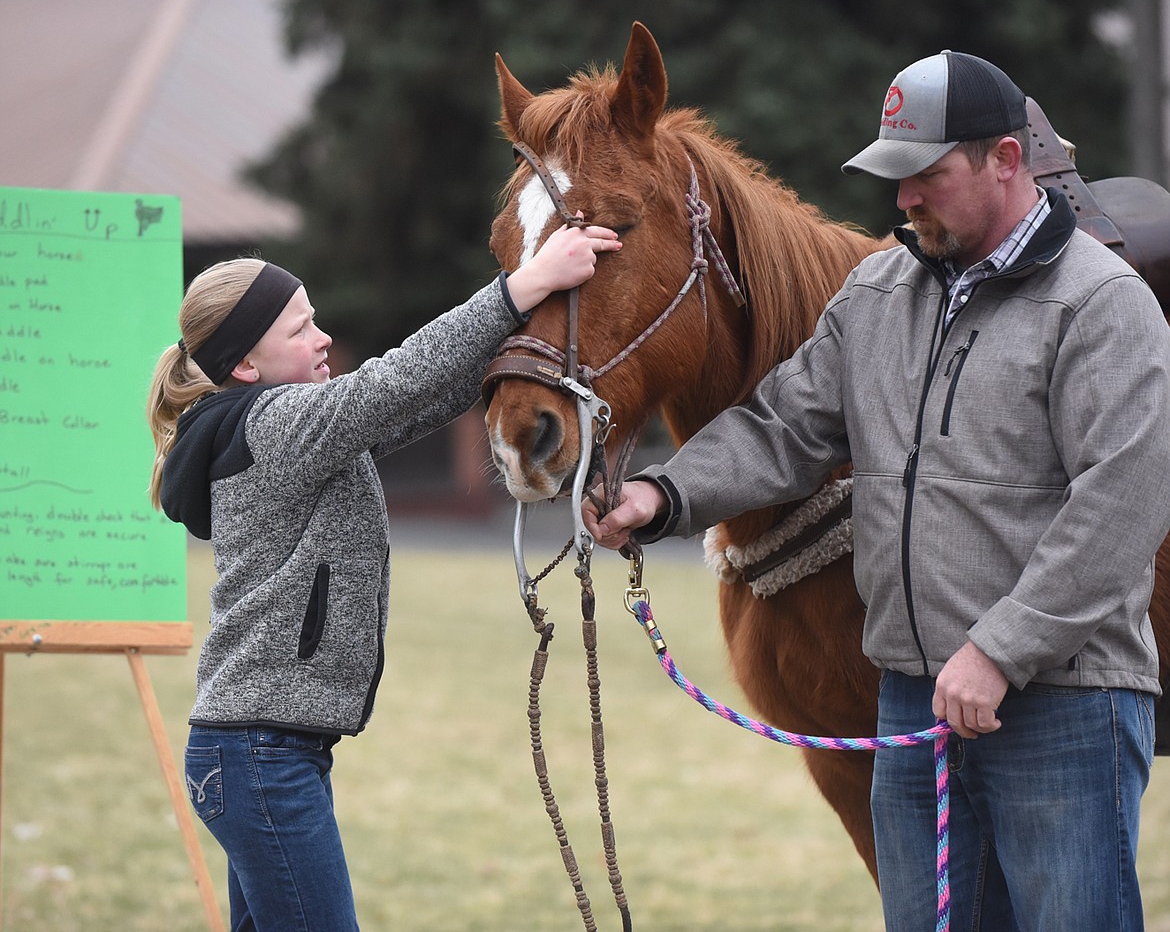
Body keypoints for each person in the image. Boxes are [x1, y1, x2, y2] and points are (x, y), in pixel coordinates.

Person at [585, 50, 1170, 931]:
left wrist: (999, 652)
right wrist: (665, 496)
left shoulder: (1101, 304)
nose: (904, 201)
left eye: (927, 175)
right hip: (916, 703)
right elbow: (784, 426)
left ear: (1005, 162)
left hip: (1062, 702)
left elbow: (1118, 507)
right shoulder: (880, 293)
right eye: (894, 178)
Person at [146, 219, 621, 931]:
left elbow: (418, 397)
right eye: (300, 329)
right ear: (246, 365)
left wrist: (523, 330)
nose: (322, 338)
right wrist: (526, 283)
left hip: (262, 754)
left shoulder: (291, 428)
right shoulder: (274, 424)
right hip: (259, 758)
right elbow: (392, 381)